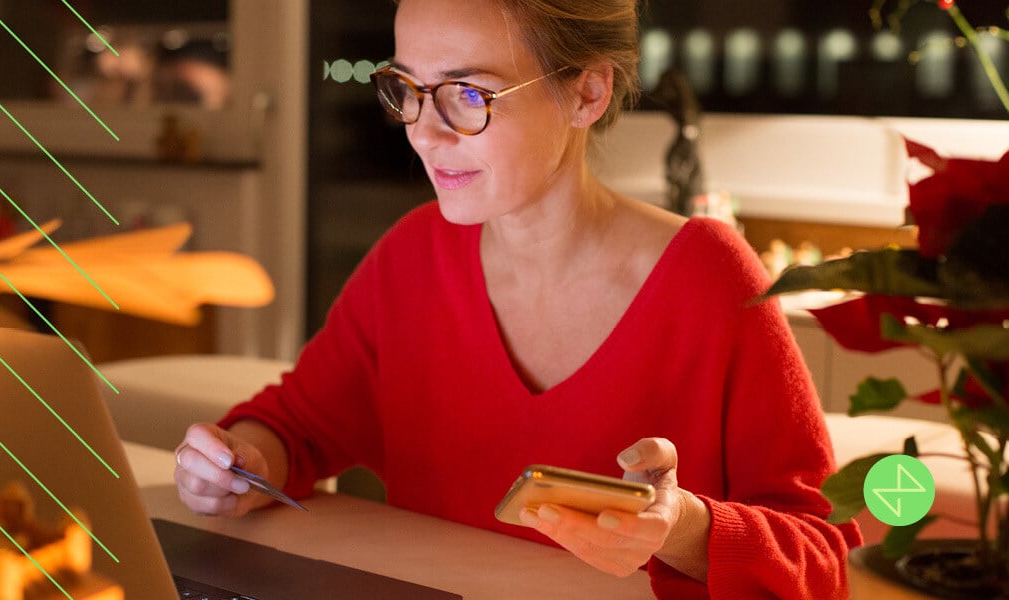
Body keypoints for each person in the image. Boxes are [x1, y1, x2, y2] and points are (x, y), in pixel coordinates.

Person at [173, 0, 862, 597]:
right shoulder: (413, 257)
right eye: (408, 88)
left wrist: (678, 527)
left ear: (587, 93)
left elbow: (819, 558)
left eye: (468, 94)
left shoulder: (708, 278)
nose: (422, 129)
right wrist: (237, 463)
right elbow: (296, 428)